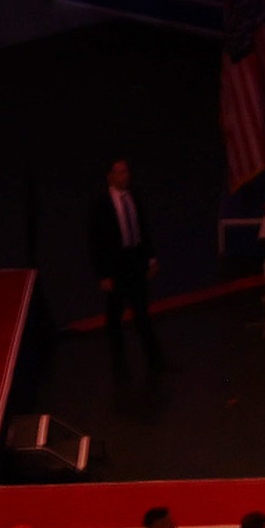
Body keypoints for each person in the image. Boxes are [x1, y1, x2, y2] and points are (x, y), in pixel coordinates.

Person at [91, 155, 162, 388]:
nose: (125, 176)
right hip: (116, 266)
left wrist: (150, 259)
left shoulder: (135, 197)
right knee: (114, 317)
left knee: (142, 311)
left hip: (135, 261)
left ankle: (154, 359)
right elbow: (96, 241)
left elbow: (144, 228)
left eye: (126, 172)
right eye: (120, 172)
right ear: (110, 176)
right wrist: (103, 274)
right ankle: (119, 365)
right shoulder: (102, 203)